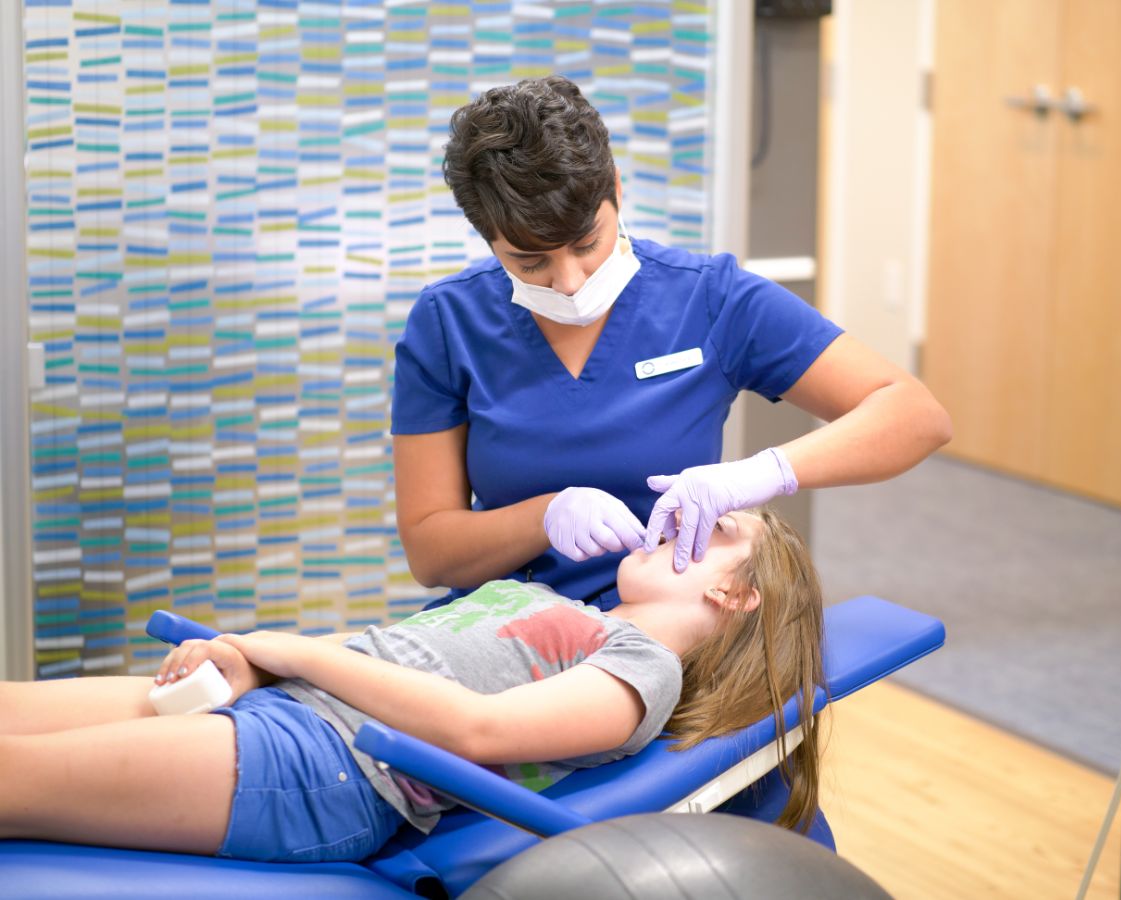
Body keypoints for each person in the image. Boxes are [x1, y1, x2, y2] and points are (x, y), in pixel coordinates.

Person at [392, 74, 952, 612]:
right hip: (501, 631)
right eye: (529, 261)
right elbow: (430, 553)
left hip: (660, 633)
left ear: (614, 190)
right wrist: (542, 517)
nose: (569, 281)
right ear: (486, 237)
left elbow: (914, 416)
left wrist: (759, 473)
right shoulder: (449, 321)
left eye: (587, 243)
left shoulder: (708, 300)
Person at [0, 507, 825, 862]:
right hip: (284, 706)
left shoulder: (641, 672)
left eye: (712, 531)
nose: (674, 520)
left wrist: (293, 651)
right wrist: (256, 660)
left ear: (734, 593)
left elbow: (477, 734)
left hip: (326, 769)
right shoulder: (567, 604)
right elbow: (393, 652)